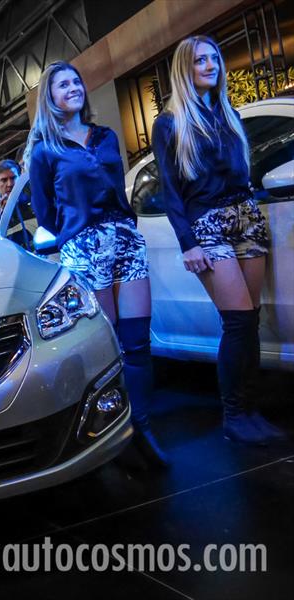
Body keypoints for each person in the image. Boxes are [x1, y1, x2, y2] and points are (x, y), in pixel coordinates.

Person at [27, 61, 167, 467]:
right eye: (62, 85)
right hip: (84, 249)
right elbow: (45, 213)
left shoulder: (105, 136)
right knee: (108, 348)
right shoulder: (45, 150)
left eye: (76, 82)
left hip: (125, 239)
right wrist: (77, 233)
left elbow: (117, 187)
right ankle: (112, 433)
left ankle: (143, 427)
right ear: (50, 97)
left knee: (138, 342)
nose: (73, 88)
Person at [151, 36, 281, 445]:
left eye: (214, 59)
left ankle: (251, 410)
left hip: (247, 217)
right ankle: (234, 415)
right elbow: (170, 190)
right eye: (200, 61)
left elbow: (244, 175)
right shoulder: (170, 123)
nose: (210, 66)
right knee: (237, 322)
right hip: (207, 225)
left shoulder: (229, 115)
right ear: (184, 69)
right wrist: (187, 243)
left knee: (251, 321)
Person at [0, 159, 32, 247]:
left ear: (20, 177)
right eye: (4, 180)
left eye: (13, 178)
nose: (10, 184)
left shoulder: (34, 202)